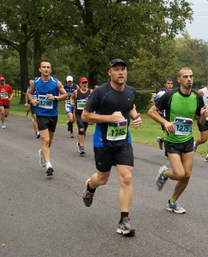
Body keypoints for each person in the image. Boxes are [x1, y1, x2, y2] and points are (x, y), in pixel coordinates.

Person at [81, 59, 142, 236]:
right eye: (116, 70)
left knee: (127, 178)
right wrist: (109, 118)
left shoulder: (131, 91)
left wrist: (135, 116)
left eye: (123, 69)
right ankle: (90, 187)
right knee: (102, 179)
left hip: (123, 141)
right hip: (103, 141)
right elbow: (85, 115)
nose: (121, 72)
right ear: (109, 73)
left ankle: (124, 221)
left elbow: (129, 106)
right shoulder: (101, 92)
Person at [148, 67, 208, 214]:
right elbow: (151, 111)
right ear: (179, 80)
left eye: (191, 76)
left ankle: (173, 202)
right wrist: (165, 122)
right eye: (186, 76)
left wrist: (203, 116)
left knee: (187, 175)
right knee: (180, 174)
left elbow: (200, 122)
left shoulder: (197, 98)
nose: (189, 79)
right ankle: (164, 174)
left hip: (187, 139)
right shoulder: (170, 96)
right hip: (172, 140)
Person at [27, 60, 67, 176]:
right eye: (44, 67)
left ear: (50, 69)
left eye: (48, 67)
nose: (46, 69)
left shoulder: (56, 82)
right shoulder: (35, 82)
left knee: (50, 140)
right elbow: (29, 93)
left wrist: (54, 97)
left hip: (53, 114)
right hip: (41, 114)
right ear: (40, 69)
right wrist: (32, 100)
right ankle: (48, 164)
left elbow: (65, 95)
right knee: (45, 139)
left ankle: (43, 153)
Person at [70, 77, 92, 155]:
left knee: (84, 130)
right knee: (81, 128)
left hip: (86, 114)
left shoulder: (90, 91)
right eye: (83, 83)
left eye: (85, 82)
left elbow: (94, 101)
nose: (84, 84)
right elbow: (71, 98)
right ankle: (81, 147)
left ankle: (80, 143)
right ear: (80, 84)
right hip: (78, 113)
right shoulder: (76, 92)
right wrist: (72, 102)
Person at [153, 78, 174, 151]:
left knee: (170, 134)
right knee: (168, 134)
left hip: (171, 116)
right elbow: (154, 103)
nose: (170, 85)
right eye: (168, 83)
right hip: (163, 117)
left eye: (171, 84)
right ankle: (169, 152)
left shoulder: (174, 93)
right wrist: (157, 110)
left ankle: (161, 140)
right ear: (164, 84)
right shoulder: (160, 94)